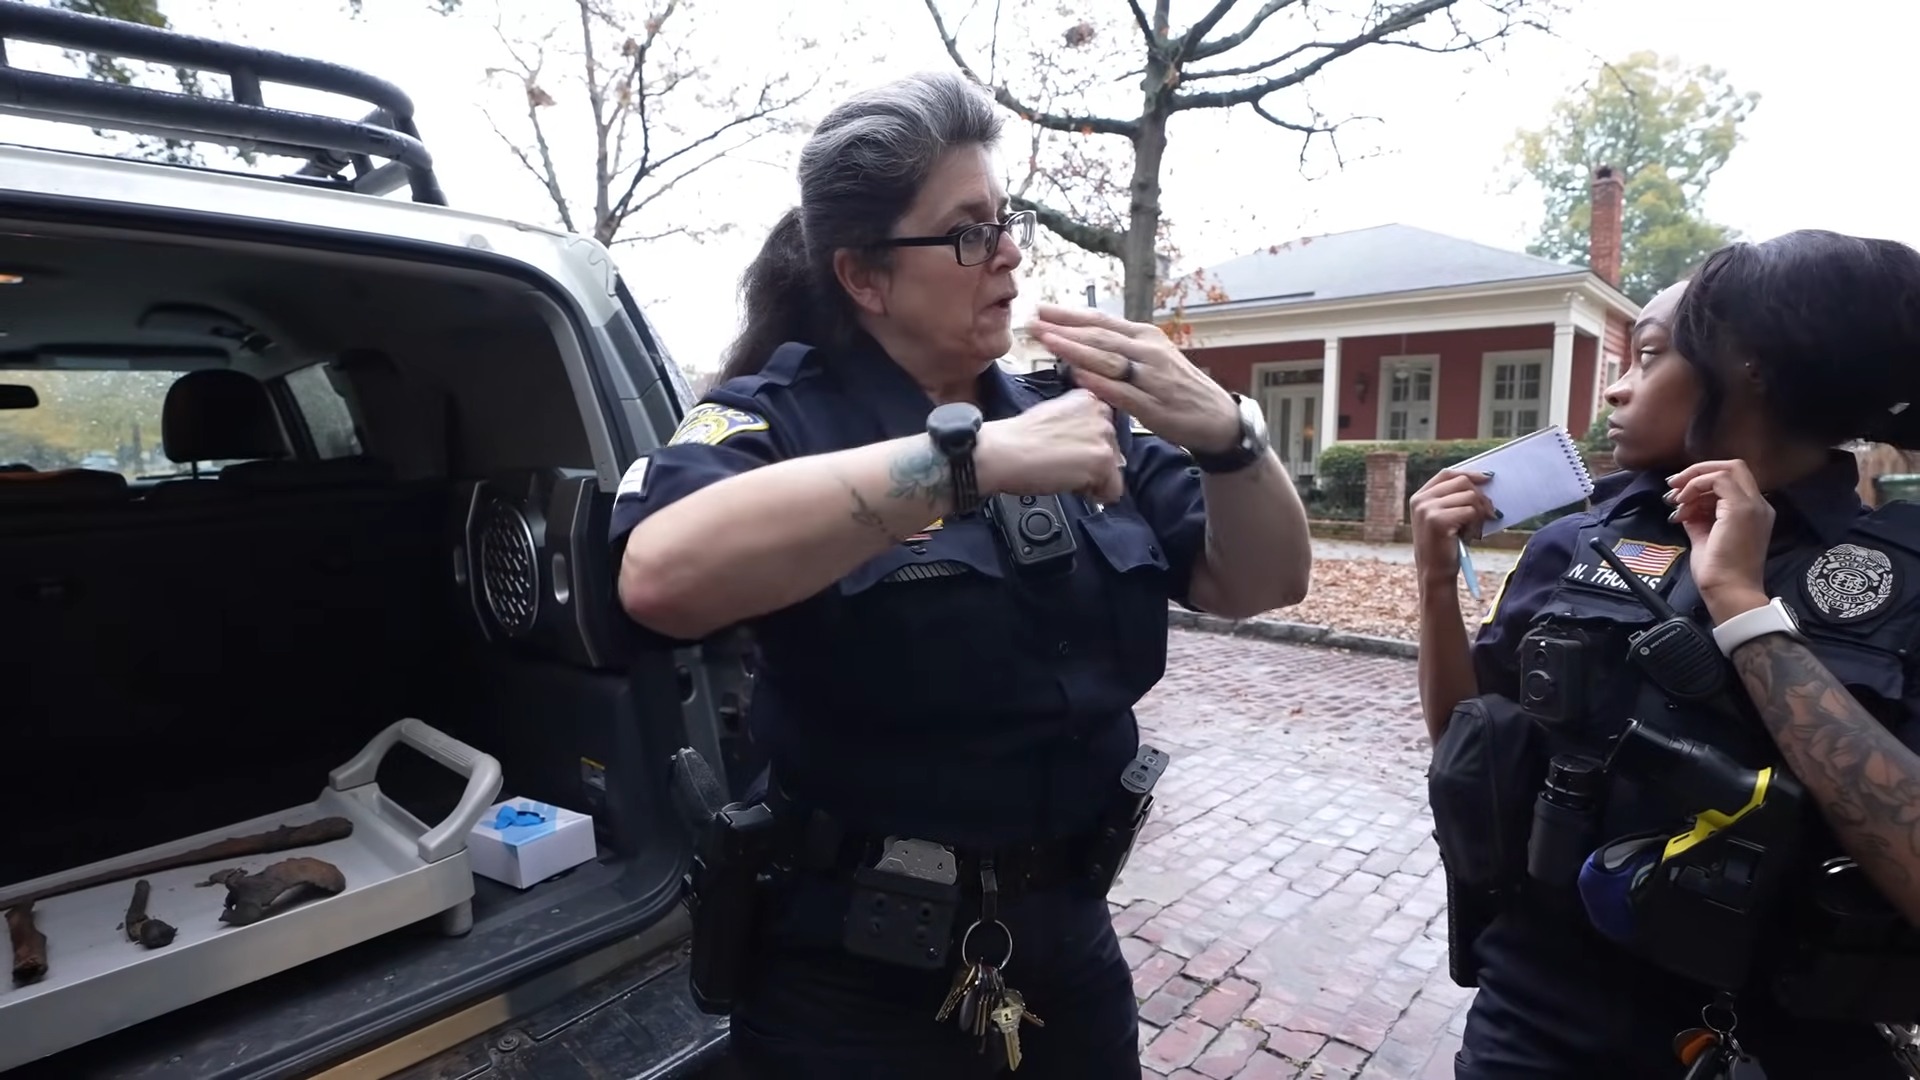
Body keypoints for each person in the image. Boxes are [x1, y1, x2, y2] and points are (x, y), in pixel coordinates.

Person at [611, 70, 1312, 1078]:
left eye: (1006, 219)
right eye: (969, 230)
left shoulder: (1072, 410)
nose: (1009, 251)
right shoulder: (778, 421)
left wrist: (1231, 439)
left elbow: (1262, 582)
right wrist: (962, 464)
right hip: (849, 984)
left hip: (1066, 949)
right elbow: (660, 575)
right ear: (865, 277)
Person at [1411, 228, 1920, 1079]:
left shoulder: (1897, 578)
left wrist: (1742, 607)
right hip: (1541, 1014)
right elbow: (1468, 750)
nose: (1616, 386)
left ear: (1750, 365)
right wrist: (1433, 587)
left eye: (1648, 356)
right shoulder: (1581, 540)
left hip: (1784, 1042)